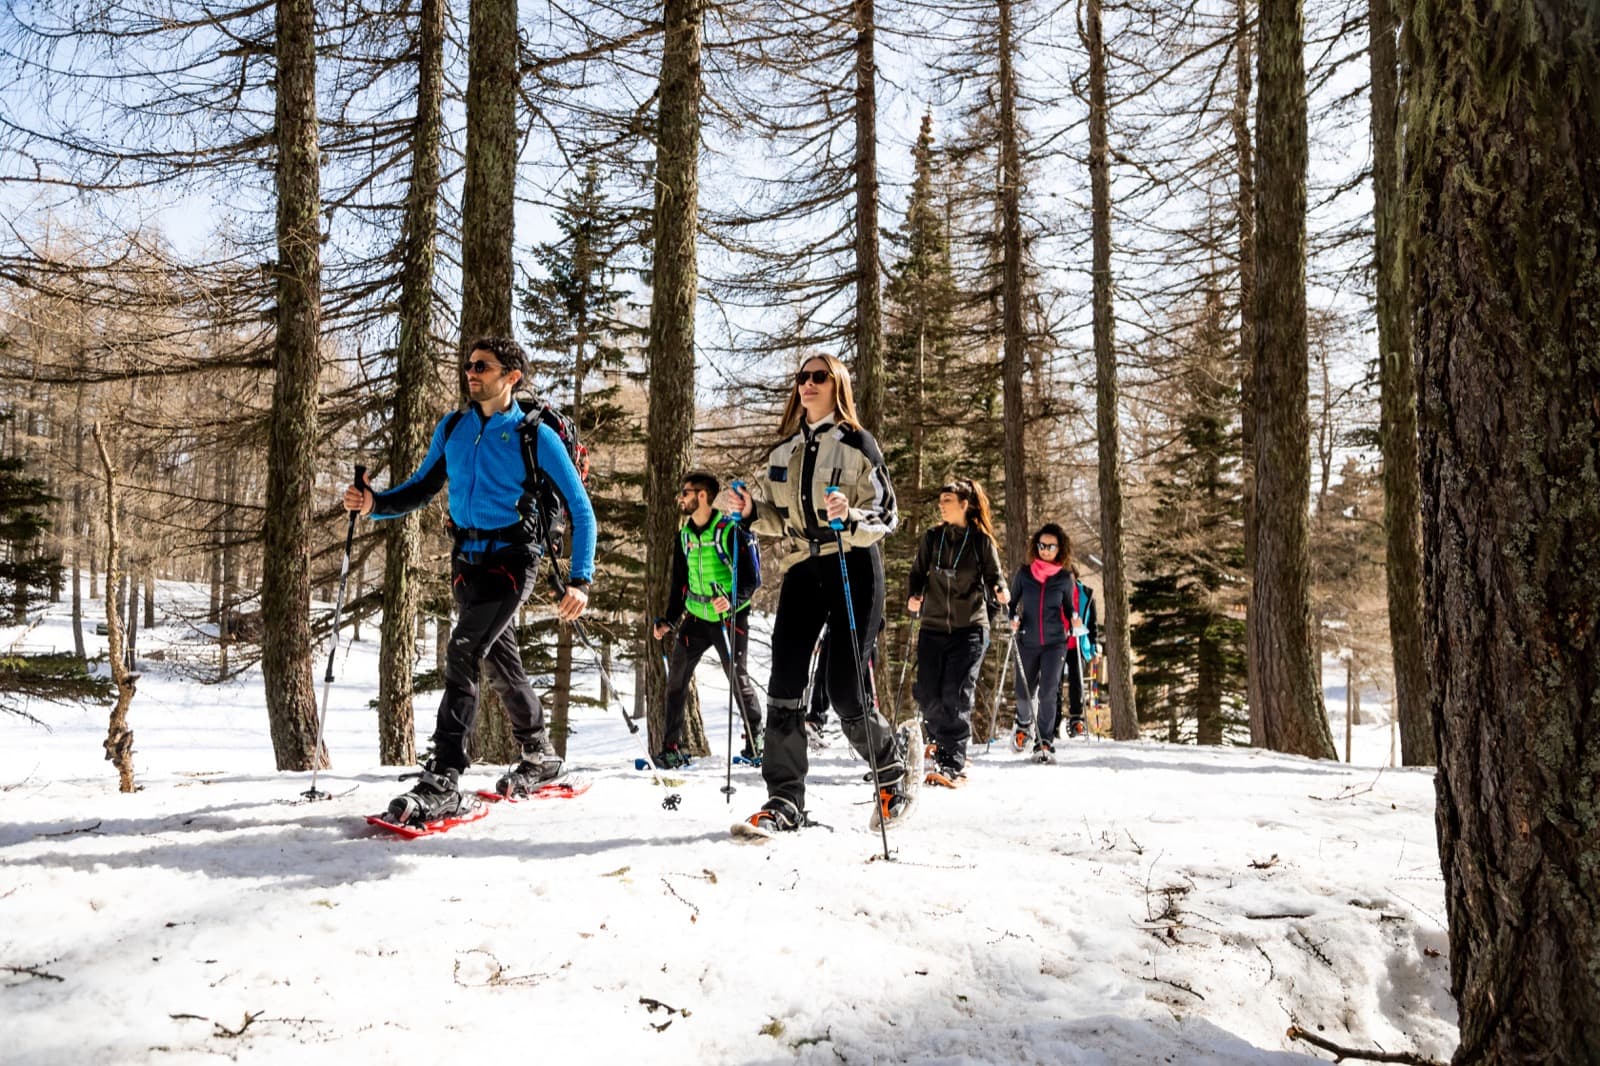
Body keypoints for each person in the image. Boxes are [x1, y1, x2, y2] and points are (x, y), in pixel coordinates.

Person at [343, 337, 596, 824]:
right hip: (466, 562)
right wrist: (375, 503)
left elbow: (582, 509)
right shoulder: (454, 427)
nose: (471, 372)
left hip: (512, 561)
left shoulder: (533, 435)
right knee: (499, 659)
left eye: (483, 366)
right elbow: (421, 488)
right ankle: (539, 753)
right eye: (468, 365)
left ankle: (443, 776)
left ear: (512, 377)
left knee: (462, 649)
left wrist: (580, 579)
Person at [727, 353, 905, 833]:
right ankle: (784, 800)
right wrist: (748, 511)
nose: (807, 384)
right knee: (784, 684)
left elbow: (887, 514)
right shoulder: (784, 450)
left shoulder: (858, 444)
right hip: (804, 566)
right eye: (802, 377)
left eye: (818, 377)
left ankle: (890, 767)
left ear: (837, 384)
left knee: (845, 689)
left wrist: (851, 514)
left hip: (853, 564)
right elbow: (775, 516)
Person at [651, 471, 763, 768]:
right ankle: (671, 747)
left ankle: (757, 741)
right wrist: (670, 620)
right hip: (697, 617)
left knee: (737, 677)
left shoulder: (729, 531)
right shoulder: (684, 536)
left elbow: (752, 579)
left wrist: (732, 599)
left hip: (729, 617)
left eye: (686, 492)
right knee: (676, 680)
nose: (681, 498)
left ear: (702, 495)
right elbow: (680, 584)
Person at [906, 478, 1008, 784]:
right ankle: (940, 741)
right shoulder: (932, 538)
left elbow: (995, 576)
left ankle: (952, 760)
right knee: (926, 692)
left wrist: (1000, 589)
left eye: (948, 501)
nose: (942, 506)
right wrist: (915, 594)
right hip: (933, 626)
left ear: (965, 505)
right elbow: (917, 572)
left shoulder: (980, 541)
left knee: (956, 692)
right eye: (941, 501)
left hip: (969, 629)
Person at [1007, 523, 1075, 758]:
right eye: (1042, 545)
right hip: (1028, 639)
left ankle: (1044, 741)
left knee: (1048, 692)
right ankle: (1024, 723)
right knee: (1024, 692)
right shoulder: (1025, 574)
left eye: (1051, 546)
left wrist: (1074, 619)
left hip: (1055, 643)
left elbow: (1068, 608)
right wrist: (1013, 618)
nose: (1045, 550)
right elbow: (1012, 603)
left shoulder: (1065, 578)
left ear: (1059, 549)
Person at [1053, 570, 1101, 738]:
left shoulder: (1085, 595)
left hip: (1078, 645)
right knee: (1054, 683)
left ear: (1075, 577)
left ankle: (1076, 721)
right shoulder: (1054, 592)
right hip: (1058, 644)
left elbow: (1093, 624)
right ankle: (1053, 720)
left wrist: (1094, 648)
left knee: (1077, 682)